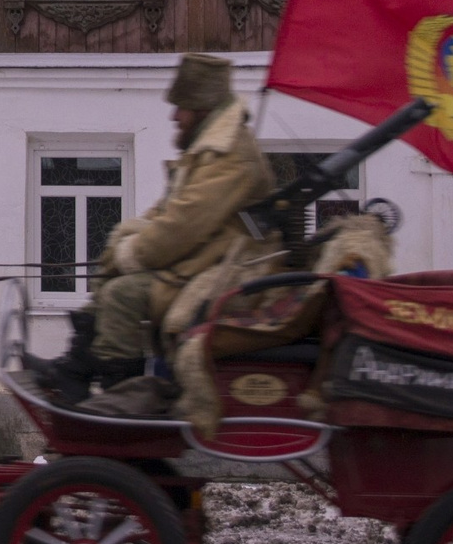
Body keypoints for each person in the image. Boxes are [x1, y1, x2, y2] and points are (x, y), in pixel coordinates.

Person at [27, 53, 275, 408]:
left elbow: (182, 226)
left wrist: (133, 253)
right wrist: (123, 246)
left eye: (181, 108)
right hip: (205, 259)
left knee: (123, 295)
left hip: (226, 271)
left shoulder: (231, 156)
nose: (174, 116)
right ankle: (76, 370)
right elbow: (168, 212)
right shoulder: (210, 149)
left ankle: (120, 406)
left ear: (202, 109)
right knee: (113, 278)